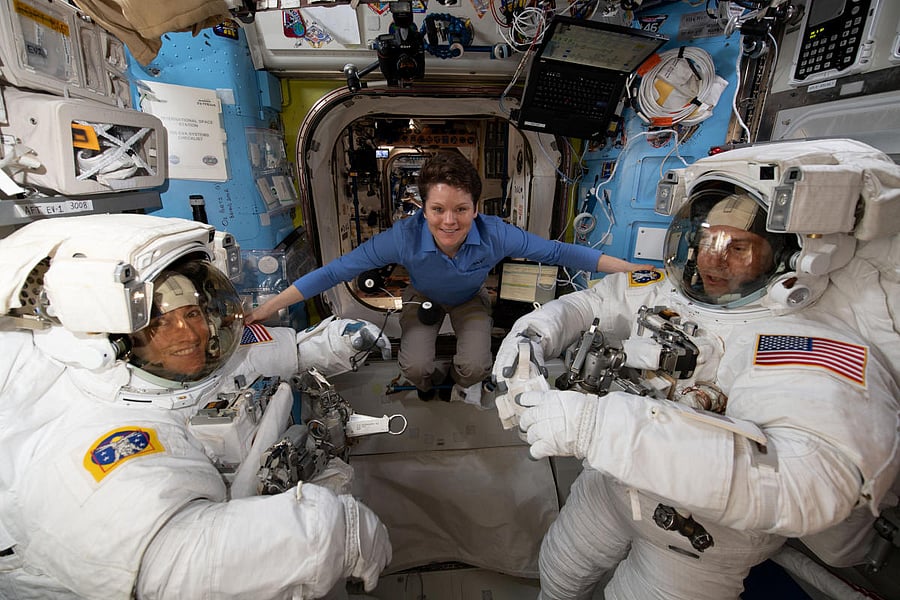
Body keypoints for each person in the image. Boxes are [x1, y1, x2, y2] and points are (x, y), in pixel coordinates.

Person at [491, 139, 900, 599]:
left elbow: (810, 482)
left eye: (738, 247)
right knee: (560, 569)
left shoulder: (804, 341)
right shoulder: (669, 291)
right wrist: (532, 334)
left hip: (699, 538)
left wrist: (595, 426)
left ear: (787, 255)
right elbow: (591, 303)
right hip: (612, 485)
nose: (711, 260)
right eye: (706, 240)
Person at [0, 213, 392, 599]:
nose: (188, 332)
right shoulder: (92, 429)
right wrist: (339, 535)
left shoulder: (196, 362)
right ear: (111, 339)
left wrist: (336, 342)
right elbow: (179, 561)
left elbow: (265, 355)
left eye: (192, 313)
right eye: (159, 322)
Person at [249, 151, 650, 401]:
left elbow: (562, 252)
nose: (449, 221)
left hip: (470, 299)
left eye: (461, 209)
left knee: (477, 365)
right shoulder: (402, 239)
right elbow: (335, 271)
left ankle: (460, 384)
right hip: (421, 297)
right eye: (438, 209)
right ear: (422, 207)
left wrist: (631, 270)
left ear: (476, 207)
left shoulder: (497, 233)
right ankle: (431, 386)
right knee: (417, 368)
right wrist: (269, 307)